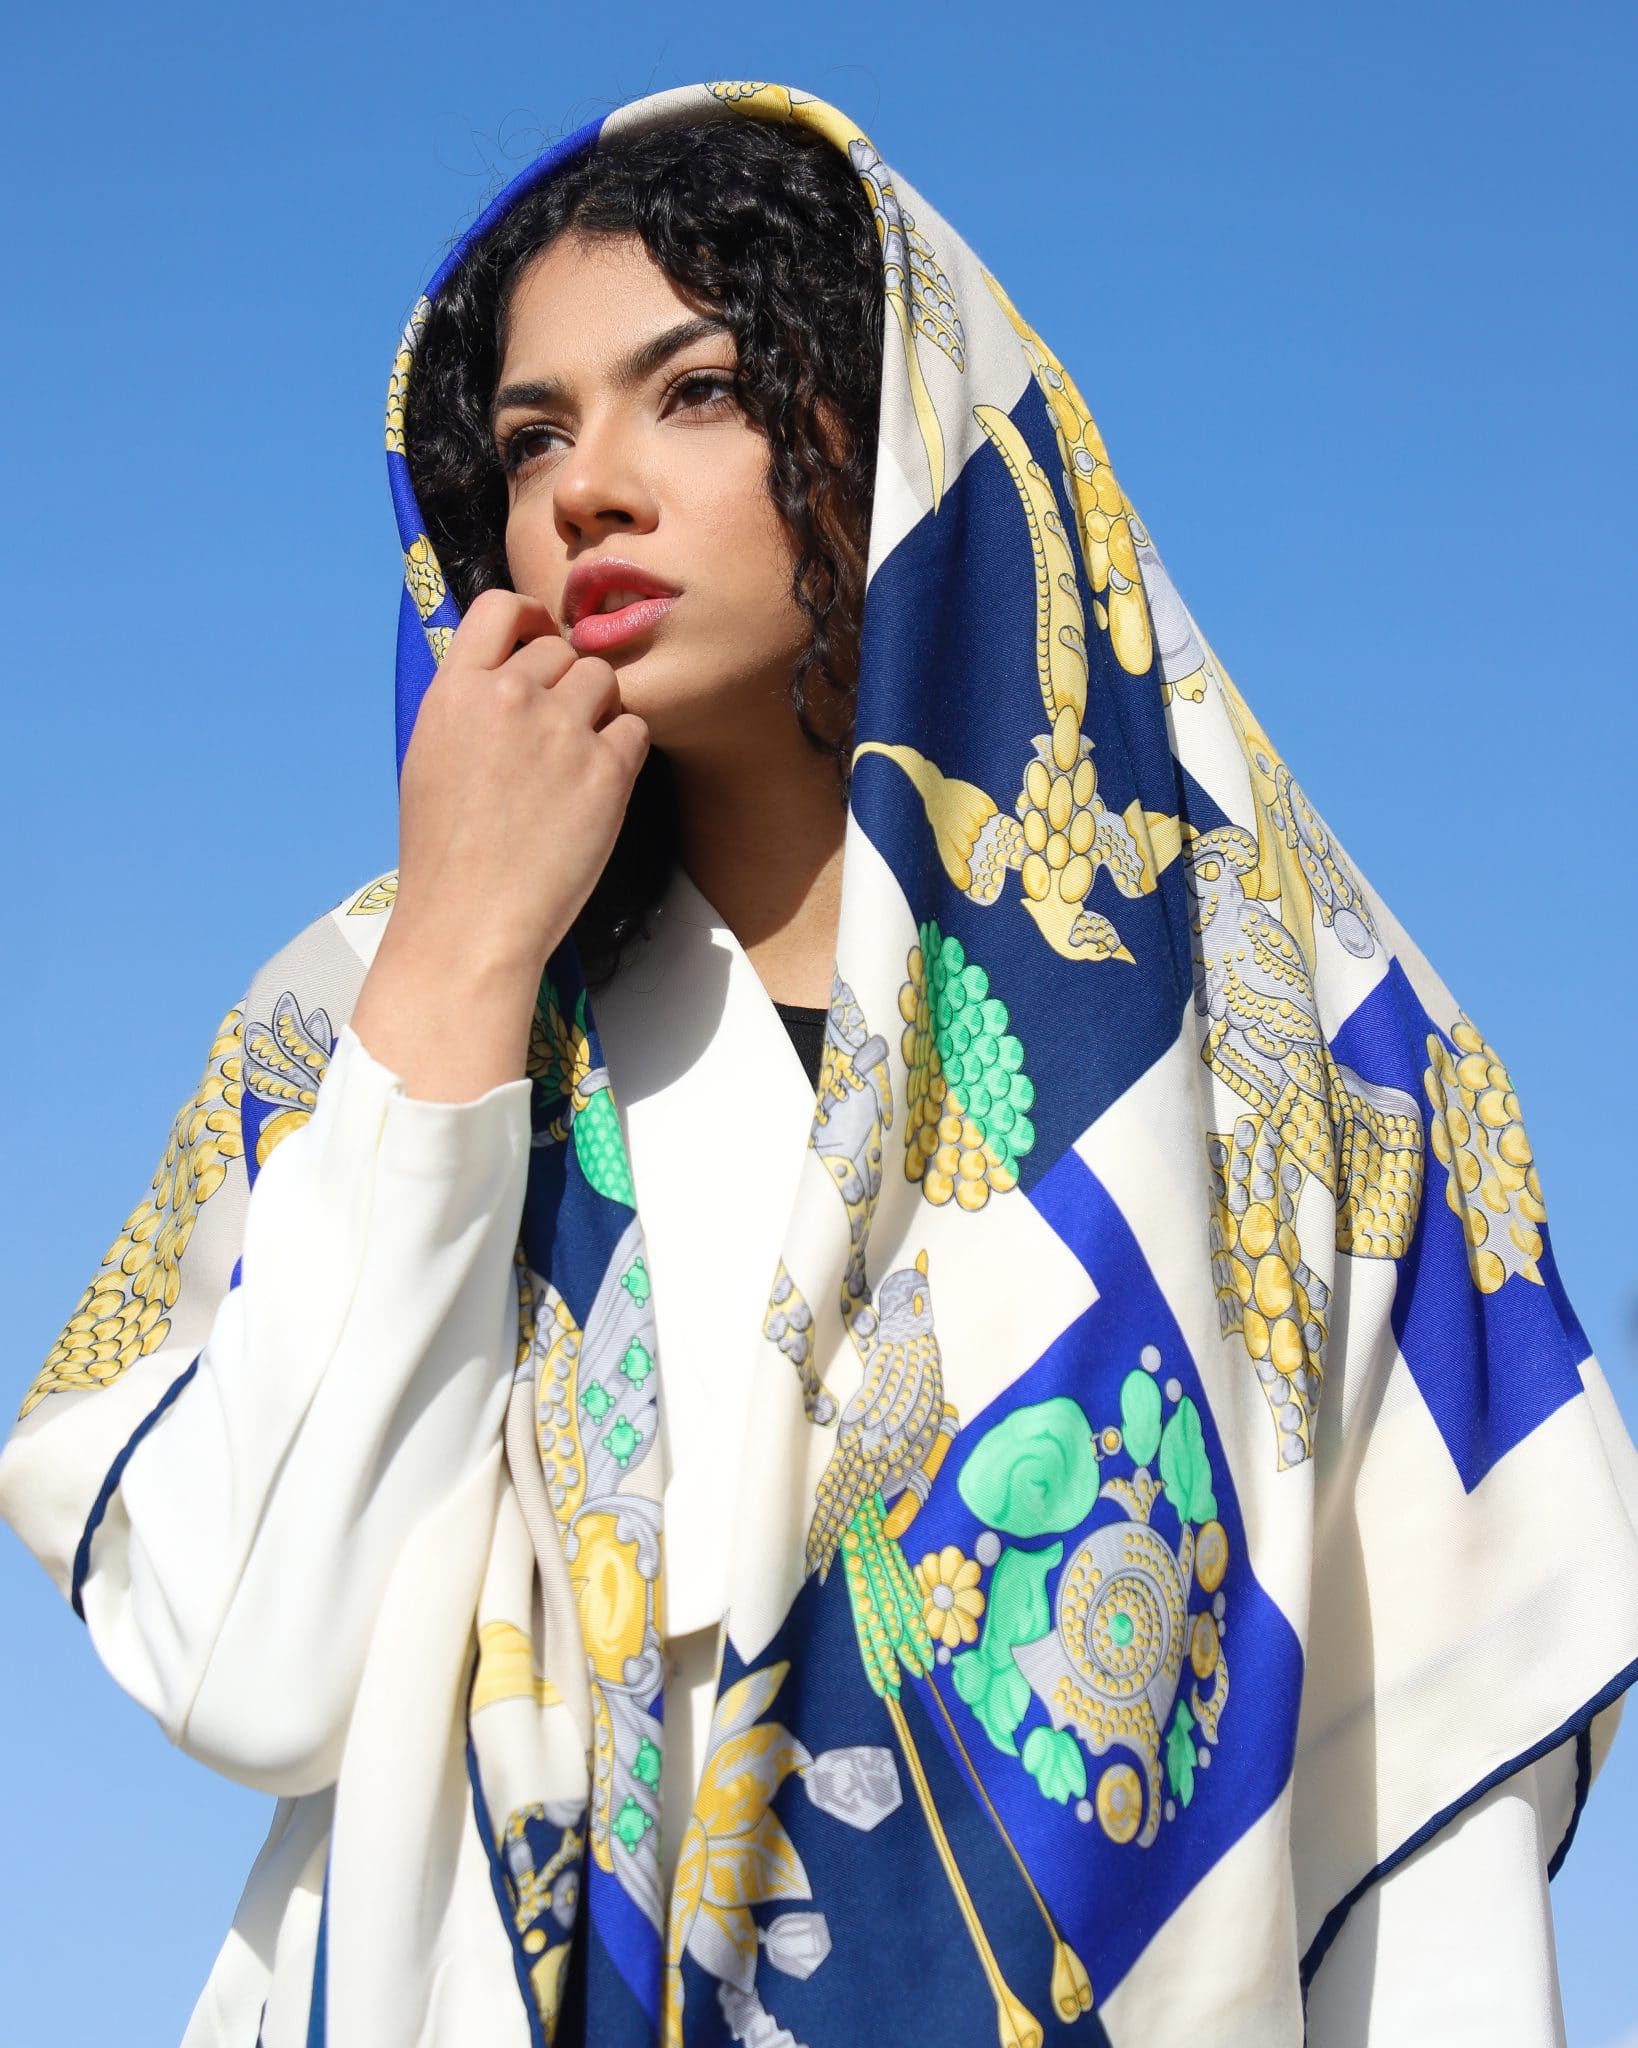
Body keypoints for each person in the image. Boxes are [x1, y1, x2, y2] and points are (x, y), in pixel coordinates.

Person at [3, 81, 1635, 2048]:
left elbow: (1428, 1799)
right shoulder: (363, 1007)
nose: (590, 488)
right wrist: (460, 955)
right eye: (533, 439)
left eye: (695, 391)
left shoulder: (1299, 1058)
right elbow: (247, 1658)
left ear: (904, 423)